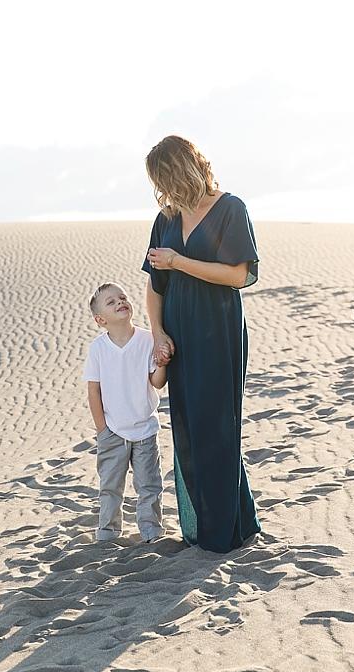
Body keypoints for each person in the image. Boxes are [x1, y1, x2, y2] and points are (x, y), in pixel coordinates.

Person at [140, 135, 262, 552]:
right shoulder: (166, 219)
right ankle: (225, 525)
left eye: (166, 178)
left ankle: (223, 533)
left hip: (217, 329)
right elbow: (155, 287)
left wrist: (179, 261)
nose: (164, 191)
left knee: (218, 427)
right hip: (178, 335)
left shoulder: (231, 209)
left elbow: (237, 275)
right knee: (189, 429)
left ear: (185, 170)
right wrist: (158, 334)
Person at [83, 283, 169, 544]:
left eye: (123, 297)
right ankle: (108, 532)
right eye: (111, 302)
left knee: (149, 486)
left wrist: (163, 363)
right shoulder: (98, 349)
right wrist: (102, 430)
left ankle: (152, 531)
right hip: (112, 432)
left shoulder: (146, 339)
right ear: (101, 320)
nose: (120, 302)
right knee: (110, 487)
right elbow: (93, 391)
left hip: (145, 429)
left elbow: (157, 382)